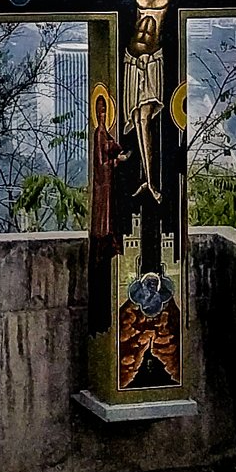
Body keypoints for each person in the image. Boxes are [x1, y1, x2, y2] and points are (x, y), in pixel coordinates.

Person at [53, 0, 236, 201]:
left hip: (153, 62)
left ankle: (150, 180)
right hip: (131, 62)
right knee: (136, 119)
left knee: (144, 119)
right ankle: (145, 179)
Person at [87, 92, 130, 335]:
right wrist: (118, 161)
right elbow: (101, 164)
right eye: (100, 111)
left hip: (112, 194)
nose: (103, 114)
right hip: (105, 193)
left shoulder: (106, 132)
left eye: (105, 111)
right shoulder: (99, 134)